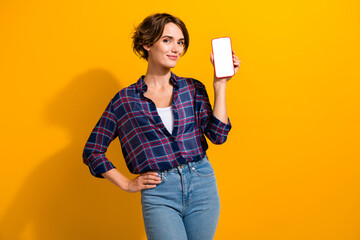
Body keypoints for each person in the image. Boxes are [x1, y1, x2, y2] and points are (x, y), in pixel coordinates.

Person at [83, 13, 240, 240]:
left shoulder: (192, 88)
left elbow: (217, 135)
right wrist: (127, 183)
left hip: (202, 184)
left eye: (180, 42)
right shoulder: (125, 101)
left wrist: (220, 85)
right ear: (147, 43)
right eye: (167, 40)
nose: (176, 48)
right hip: (159, 193)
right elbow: (93, 150)